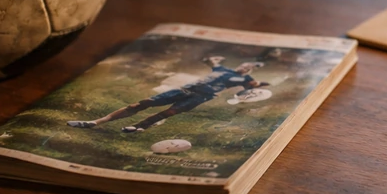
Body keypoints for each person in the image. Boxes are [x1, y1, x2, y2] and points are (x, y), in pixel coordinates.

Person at [67, 56, 270, 133]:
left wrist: (258, 84)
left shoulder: (245, 80)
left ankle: (139, 127)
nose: (246, 67)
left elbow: (253, 88)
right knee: (142, 103)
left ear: (250, 70)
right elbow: (210, 61)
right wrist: (211, 59)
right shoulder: (224, 68)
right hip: (185, 89)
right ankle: (96, 121)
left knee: (169, 113)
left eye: (250, 67)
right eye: (245, 64)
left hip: (201, 96)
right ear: (240, 64)